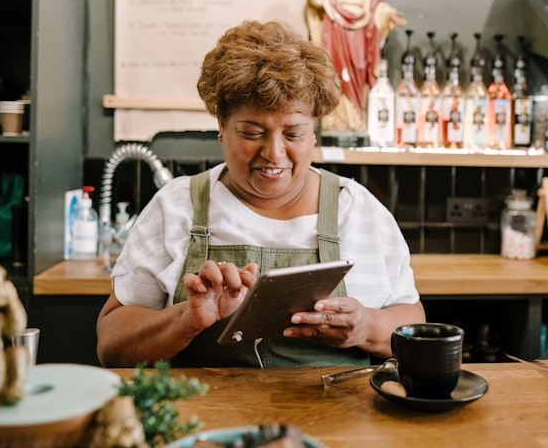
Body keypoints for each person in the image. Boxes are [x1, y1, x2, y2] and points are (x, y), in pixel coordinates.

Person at [96, 19, 424, 368]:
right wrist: (186, 320)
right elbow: (111, 345)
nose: (274, 153)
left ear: (314, 131)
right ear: (221, 124)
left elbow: (413, 323)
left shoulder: (359, 211)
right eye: (253, 133)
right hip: (206, 420)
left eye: (294, 134)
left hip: (336, 418)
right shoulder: (176, 208)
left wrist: (367, 327)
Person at [304, 0, 406, 133]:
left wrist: (390, 14)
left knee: (357, 75)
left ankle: (356, 121)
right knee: (337, 75)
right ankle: (335, 122)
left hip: (359, 38)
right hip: (337, 35)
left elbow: (377, 6)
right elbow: (316, 1)